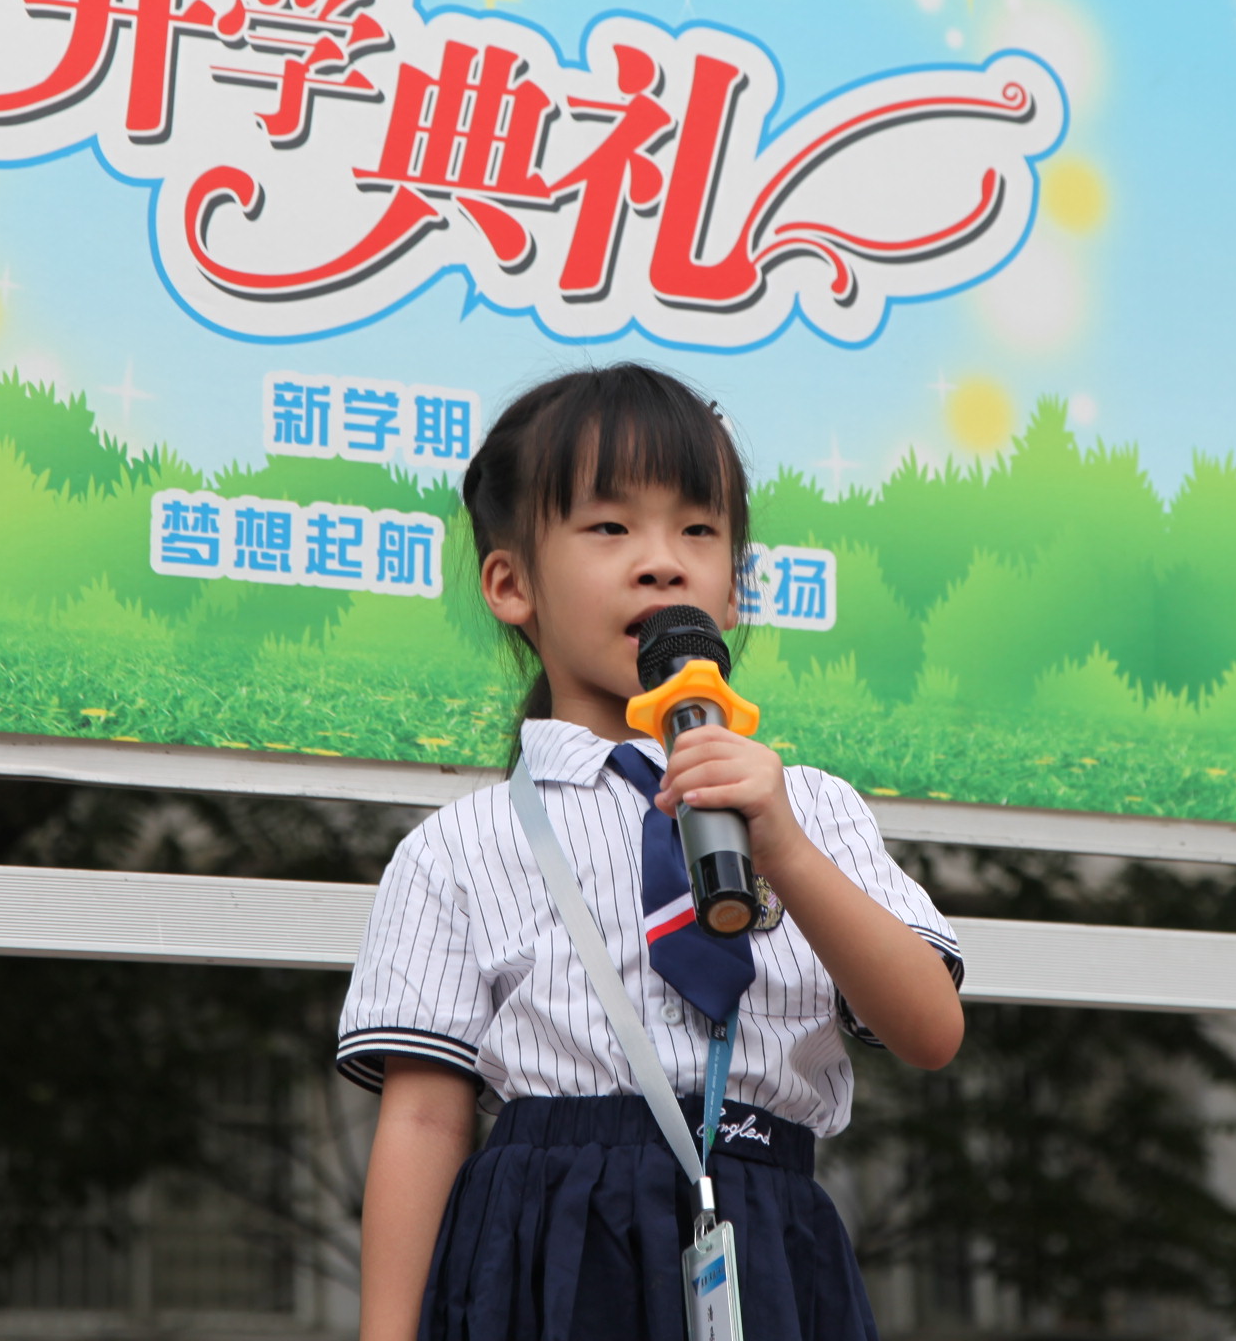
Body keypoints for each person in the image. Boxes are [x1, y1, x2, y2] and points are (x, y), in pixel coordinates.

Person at [337, 362, 965, 1341]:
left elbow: (929, 1028)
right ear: (510, 583)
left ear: (734, 585)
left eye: (698, 530)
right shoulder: (459, 846)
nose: (662, 562)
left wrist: (786, 850)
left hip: (766, 1233)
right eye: (609, 527)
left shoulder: (810, 807)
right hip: (547, 1245)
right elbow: (423, 1120)